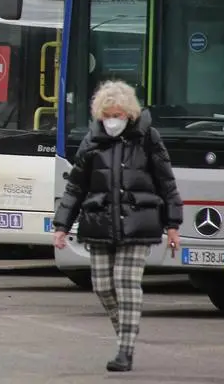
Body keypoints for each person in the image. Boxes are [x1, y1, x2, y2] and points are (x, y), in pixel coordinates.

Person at [52, 80, 183, 372]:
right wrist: (61, 226)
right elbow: (75, 187)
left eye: (118, 115)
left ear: (129, 114)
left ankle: (125, 350)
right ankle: (126, 333)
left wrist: (172, 225)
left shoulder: (148, 138)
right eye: (107, 115)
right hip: (99, 224)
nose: (113, 121)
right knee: (102, 286)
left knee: (126, 284)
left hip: (138, 224)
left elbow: (166, 183)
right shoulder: (91, 141)